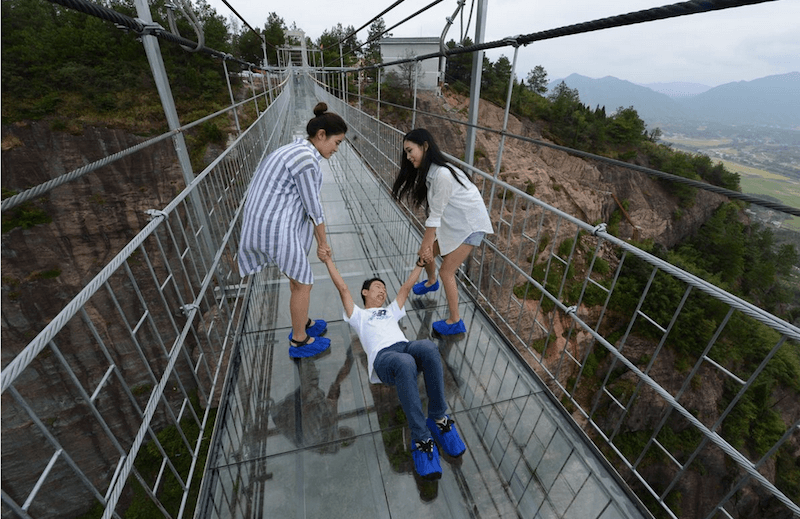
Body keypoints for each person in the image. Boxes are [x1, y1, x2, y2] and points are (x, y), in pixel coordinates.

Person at [321, 252, 467, 480]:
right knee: (405, 362)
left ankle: (438, 419)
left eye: (384, 288)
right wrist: (329, 259)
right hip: (385, 359)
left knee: (428, 348)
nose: (382, 290)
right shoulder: (358, 315)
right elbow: (343, 289)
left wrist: (420, 264)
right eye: (377, 287)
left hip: (404, 348)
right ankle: (421, 438)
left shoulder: (390, 311)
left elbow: (405, 289)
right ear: (365, 292)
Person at [238, 102, 347, 358]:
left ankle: (303, 322)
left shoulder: (298, 148)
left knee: (297, 277)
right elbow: (313, 207)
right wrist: (323, 243)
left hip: (267, 220)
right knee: (304, 282)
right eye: (337, 142)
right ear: (321, 135)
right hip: (275, 226)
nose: (337, 148)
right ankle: (299, 339)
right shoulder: (306, 160)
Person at [391, 128, 493, 336]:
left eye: (411, 151)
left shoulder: (443, 174)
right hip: (455, 222)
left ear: (425, 146)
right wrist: (426, 245)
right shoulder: (433, 172)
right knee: (427, 250)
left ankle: (455, 321)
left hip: (470, 226)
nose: (408, 157)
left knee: (446, 270)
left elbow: (435, 215)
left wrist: (426, 245)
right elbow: (436, 213)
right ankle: (431, 282)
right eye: (406, 153)